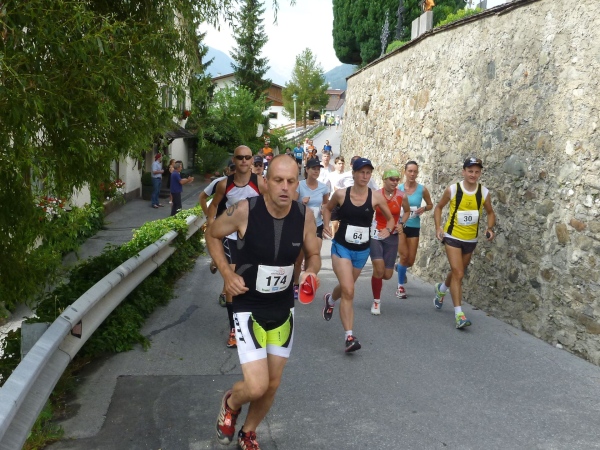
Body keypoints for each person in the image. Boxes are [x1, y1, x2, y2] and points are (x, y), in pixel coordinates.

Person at [208, 155, 321, 450]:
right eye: (278, 180)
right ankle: (231, 403)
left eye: (291, 181)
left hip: (283, 308)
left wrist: (311, 271)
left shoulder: (304, 216)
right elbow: (212, 234)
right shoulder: (245, 210)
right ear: (266, 183)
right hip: (249, 306)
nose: (284, 187)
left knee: (272, 384)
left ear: (297, 184)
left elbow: (314, 254)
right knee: (256, 385)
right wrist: (227, 274)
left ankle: (248, 432)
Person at [322, 158, 394, 353]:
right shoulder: (341, 194)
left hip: (362, 251)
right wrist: (326, 225)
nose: (365, 176)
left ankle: (330, 300)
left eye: (368, 173)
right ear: (353, 173)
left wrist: (388, 230)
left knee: (347, 288)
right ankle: (349, 337)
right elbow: (327, 208)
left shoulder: (375, 197)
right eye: (361, 172)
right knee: (349, 290)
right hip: (341, 248)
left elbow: (390, 219)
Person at [208, 145, 265, 348]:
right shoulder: (224, 184)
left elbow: (271, 205)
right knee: (231, 280)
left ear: (252, 160)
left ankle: (255, 322)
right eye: (240, 157)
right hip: (231, 236)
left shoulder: (260, 183)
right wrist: (211, 223)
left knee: (254, 280)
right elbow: (214, 205)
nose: (244, 161)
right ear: (234, 160)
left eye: (247, 157)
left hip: (253, 237)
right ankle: (234, 329)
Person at [433, 157, 496, 329]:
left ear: (480, 173)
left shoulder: (484, 193)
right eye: (470, 171)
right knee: (459, 273)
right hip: (452, 237)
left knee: (457, 272)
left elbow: (490, 212)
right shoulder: (453, 189)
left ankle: (441, 289)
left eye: (477, 172)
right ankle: (459, 315)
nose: (473, 175)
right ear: (463, 172)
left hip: (471, 239)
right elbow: (438, 207)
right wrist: (438, 227)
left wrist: (490, 228)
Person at [369, 168, 411, 315]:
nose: (395, 182)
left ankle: (381, 272)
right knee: (379, 269)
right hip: (376, 234)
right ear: (384, 180)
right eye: (392, 179)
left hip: (392, 235)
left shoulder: (401, 196)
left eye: (397, 180)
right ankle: (376, 301)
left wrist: (401, 223)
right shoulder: (376, 195)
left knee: (387, 275)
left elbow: (407, 211)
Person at [292, 157, 330, 299]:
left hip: (317, 226)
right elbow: (291, 204)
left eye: (318, 169)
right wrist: (301, 203)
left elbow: (326, 206)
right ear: (307, 170)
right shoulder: (299, 185)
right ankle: (296, 284)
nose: (316, 171)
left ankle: (308, 280)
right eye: (313, 168)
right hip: (300, 226)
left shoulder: (323, 187)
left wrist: (326, 224)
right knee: (298, 260)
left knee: (313, 255)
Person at [199, 162, 235, 306]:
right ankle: (225, 292)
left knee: (232, 262)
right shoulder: (219, 183)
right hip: (220, 226)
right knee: (228, 261)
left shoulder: (246, 184)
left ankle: (225, 291)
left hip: (237, 227)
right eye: (232, 169)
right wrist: (208, 217)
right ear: (228, 170)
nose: (235, 172)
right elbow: (202, 197)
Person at [396, 160, 433, 298]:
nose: (412, 174)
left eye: (415, 171)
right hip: (401, 225)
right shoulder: (398, 188)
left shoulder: (422, 189)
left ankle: (399, 267)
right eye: (410, 171)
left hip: (414, 226)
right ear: (405, 172)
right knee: (404, 256)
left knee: (410, 261)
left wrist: (424, 208)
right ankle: (400, 287)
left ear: (417, 173)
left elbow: (430, 204)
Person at [326, 156, 346, 237]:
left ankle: (339, 238)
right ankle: (334, 238)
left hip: (344, 201)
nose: (341, 165)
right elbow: (326, 187)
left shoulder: (347, 175)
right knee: (334, 223)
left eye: (342, 163)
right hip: (333, 200)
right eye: (339, 163)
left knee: (341, 223)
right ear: (335, 165)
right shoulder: (331, 175)